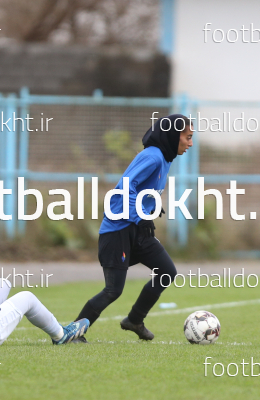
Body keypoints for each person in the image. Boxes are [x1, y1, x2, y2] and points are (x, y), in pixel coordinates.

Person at [73, 114, 193, 343]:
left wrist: (151, 205)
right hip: (118, 230)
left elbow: (142, 189)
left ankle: (135, 320)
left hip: (137, 228)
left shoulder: (165, 158)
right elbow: (125, 187)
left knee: (166, 272)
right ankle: (73, 332)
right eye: (187, 137)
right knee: (113, 290)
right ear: (173, 135)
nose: (191, 143)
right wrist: (140, 215)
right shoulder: (153, 157)